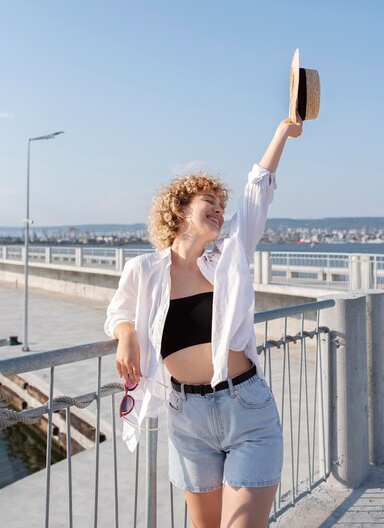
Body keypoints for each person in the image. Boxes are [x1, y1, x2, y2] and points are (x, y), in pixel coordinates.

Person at [105, 114, 303, 528]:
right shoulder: (144, 270)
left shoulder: (230, 256)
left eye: (221, 205)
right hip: (187, 418)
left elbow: (257, 190)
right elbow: (120, 311)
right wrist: (126, 337)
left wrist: (283, 130)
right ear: (180, 208)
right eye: (208, 203)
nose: (218, 210)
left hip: (245, 407)